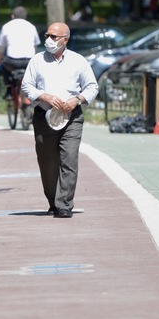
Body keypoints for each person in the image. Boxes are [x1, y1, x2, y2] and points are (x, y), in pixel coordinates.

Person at [21, 22, 99, 218]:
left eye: (54, 37)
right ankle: (53, 200)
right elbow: (26, 86)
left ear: (65, 39)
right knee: (47, 161)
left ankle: (64, 204)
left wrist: (77, 100)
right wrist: (44, 97)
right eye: (47, 35)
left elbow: (92, 87)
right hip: (44, 117)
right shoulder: (37, 60)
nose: (49, 40)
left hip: (71, 118)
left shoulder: (78, 61)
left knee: (69, 159)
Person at [0, 6, 40, 97]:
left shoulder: (6, 27)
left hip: (12, 61)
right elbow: (35, 45)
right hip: (28, 61)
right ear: (25, 16)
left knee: (3, 64)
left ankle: (9, 89)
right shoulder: (31, 27)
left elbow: (1, 47)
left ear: (12, 16)